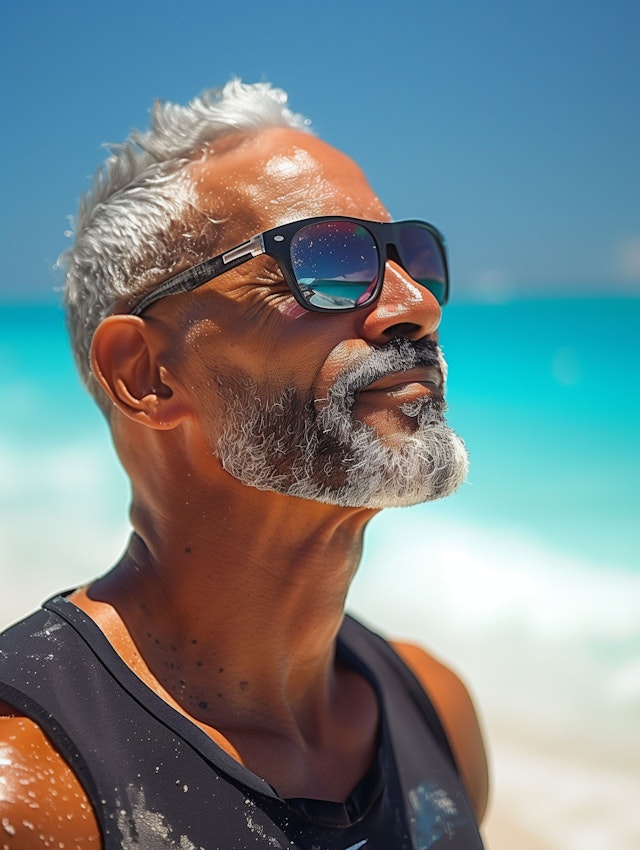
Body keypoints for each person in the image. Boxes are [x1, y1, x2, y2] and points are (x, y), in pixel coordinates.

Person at [0, 80, 488, 849]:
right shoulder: (33, 781)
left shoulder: (436, 709)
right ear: (146, 373)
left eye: (411, 258)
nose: (414, 304)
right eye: (327, 260)